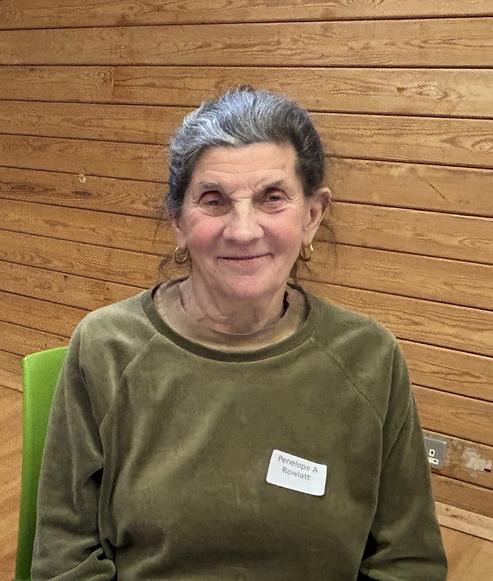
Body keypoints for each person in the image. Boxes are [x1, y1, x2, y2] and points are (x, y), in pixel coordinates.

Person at [32, 86, 447, 580]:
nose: (244, 230)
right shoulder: (106, 348)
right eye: (214, 201)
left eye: (273, 198)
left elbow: (407, 561)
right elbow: (65, 555)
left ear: (312, 215)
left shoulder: (370, 358)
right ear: (178, 220)